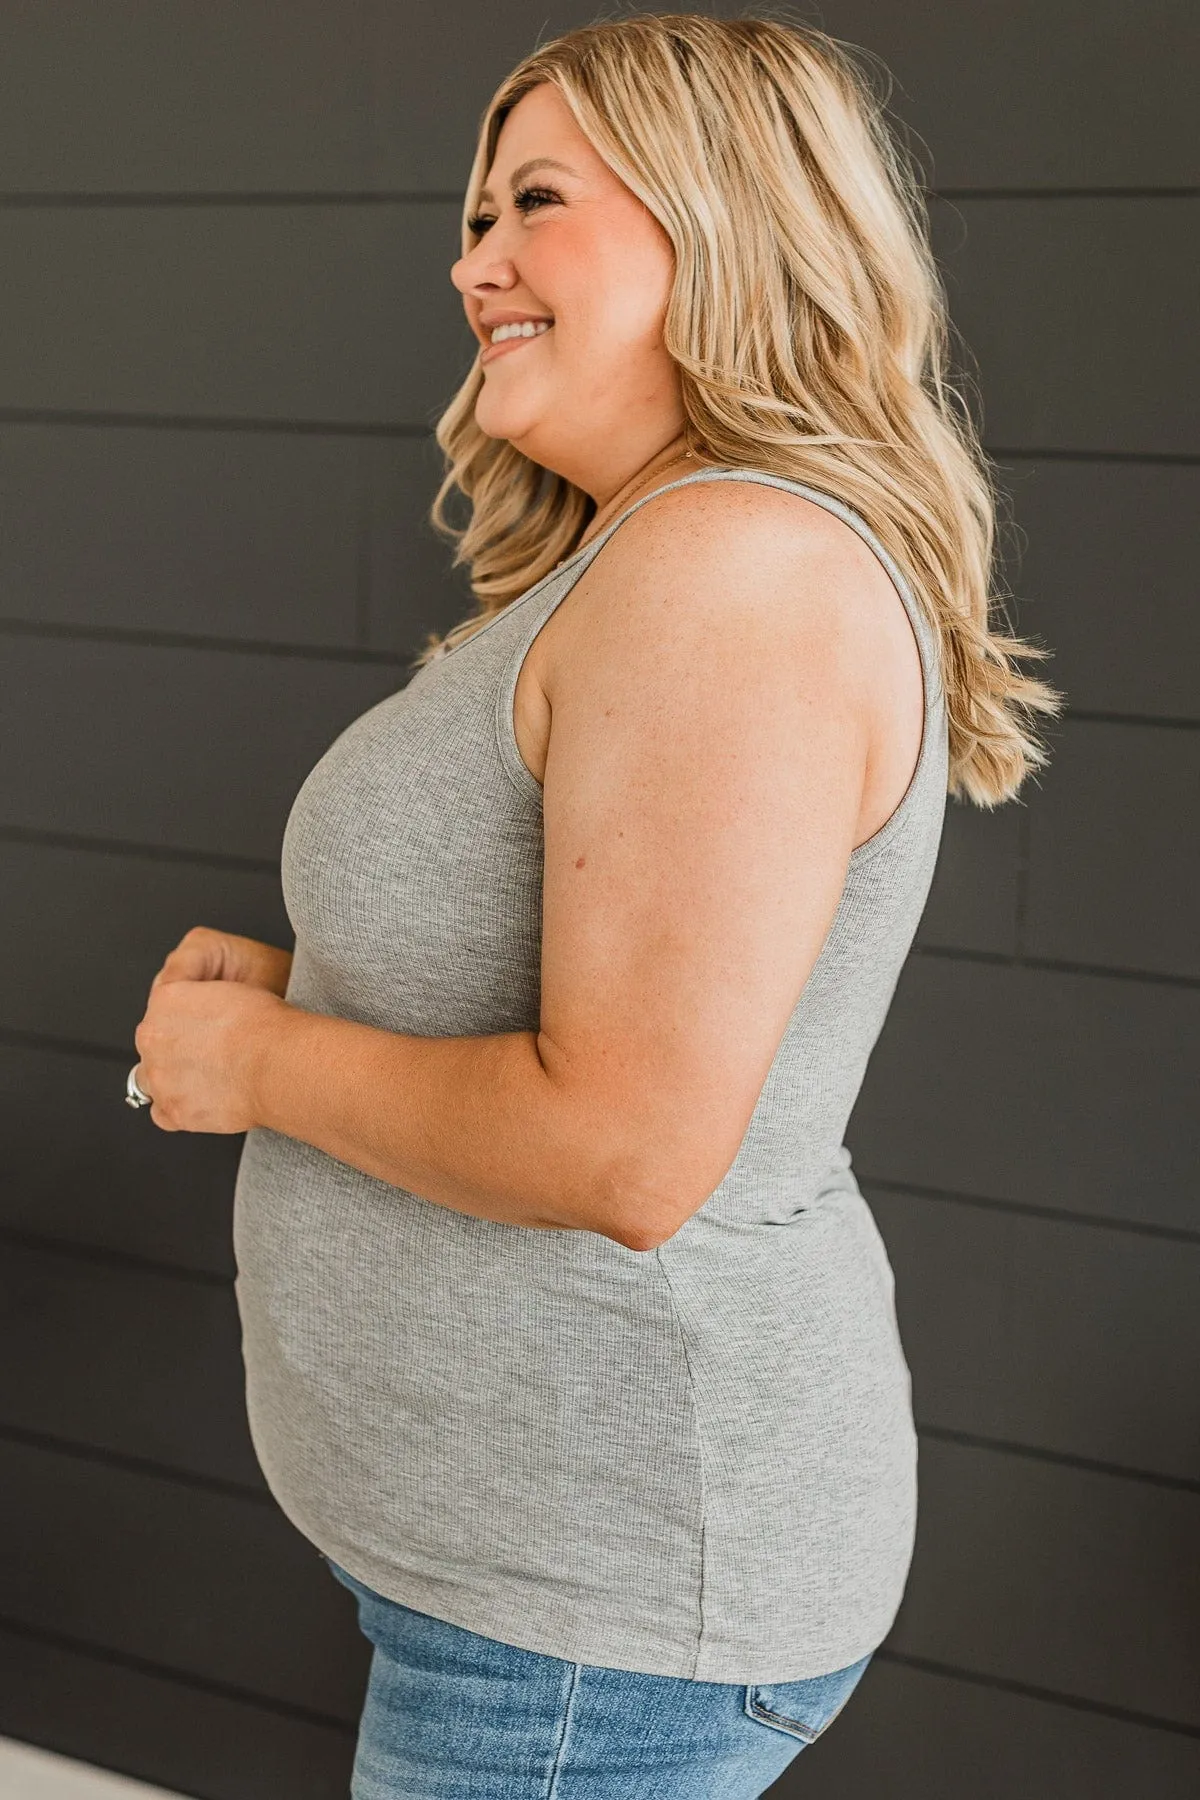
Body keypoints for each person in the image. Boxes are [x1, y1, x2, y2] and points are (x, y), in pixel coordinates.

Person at [128, 13, 1061, 1796]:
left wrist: (260, 1061)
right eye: (475, 216)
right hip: (529, 1590)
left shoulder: (738, 572)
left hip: (598, 1617)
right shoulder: (655, 552)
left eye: (529, 203)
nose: (471, 261)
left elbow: (627, 1145)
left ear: (719, 221)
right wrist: (324, 983)